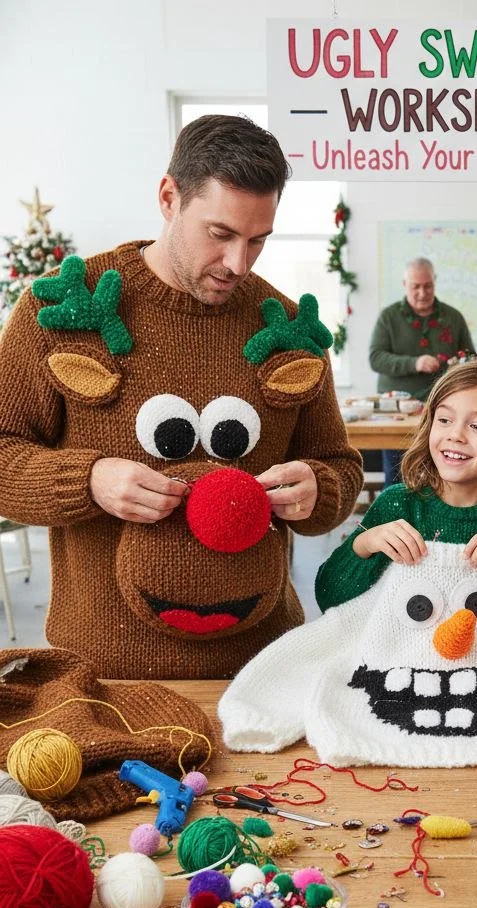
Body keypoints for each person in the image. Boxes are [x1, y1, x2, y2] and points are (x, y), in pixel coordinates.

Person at [0, 114, 363, 679]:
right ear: (169, 197)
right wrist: (88, 481)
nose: (238, 263)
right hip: (105, 672)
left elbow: (339, 467)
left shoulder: (287, 328)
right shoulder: (61, 314)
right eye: (220, 234)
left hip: (265, 668)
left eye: (258, 241)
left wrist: (320, 490)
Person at [316, 360, 477, 622]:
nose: (455, 435)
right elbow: (328, 595)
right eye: (444, 419)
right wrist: (364, 545)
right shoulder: (396, 505)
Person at [368, 257, 476, 488]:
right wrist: (414, 363)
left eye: (428, 286)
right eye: (416, 286)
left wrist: (460, 366)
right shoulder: (389, 317)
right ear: (404, 284)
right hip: (397, 410)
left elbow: (471, 358)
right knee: (396, 475)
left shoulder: (453, 317)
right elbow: (376, 358)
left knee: (440, 474)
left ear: (434, 283)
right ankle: (393, 522)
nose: (422, 292)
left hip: (443, 408)